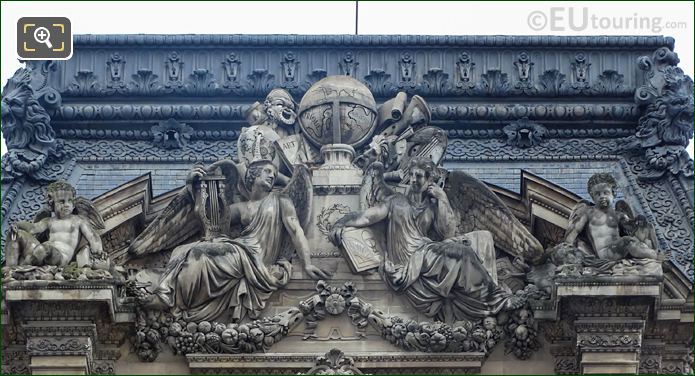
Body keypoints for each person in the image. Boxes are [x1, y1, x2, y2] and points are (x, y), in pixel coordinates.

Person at [331, 157, 518, 322]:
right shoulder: (395, 201)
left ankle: (487, 300)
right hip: (409, 259)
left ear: (429, 180)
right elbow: (367, 217)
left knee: (474, 244)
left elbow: (448, 233)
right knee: (463, 253)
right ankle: (494, 299)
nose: (413, 180)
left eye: (419, 176)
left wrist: (442, 198)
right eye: (411, 175)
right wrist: (341, 223)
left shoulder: (432, 207)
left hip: (425, 253)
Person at [141, 160, 330, 322]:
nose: (272, 176)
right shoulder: (240, 208)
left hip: (256, 258)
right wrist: (197, 187)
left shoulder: (281, 200)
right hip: (240, 249)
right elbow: (209, 221)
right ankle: (167, 294)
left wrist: (307, 264)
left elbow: (296, 230)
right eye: (267, 171)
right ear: (253, 176)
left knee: (199, 253)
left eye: (274, 174)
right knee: (182, 250)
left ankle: (170, 296)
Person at [5, 181, 104, 267]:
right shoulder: (48, 221)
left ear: (73, 203)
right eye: (62, 201)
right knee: (15, 234)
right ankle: (10, 269)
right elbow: (33, 229)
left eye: (70, 201)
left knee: (44, 248)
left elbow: (92, 237)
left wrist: (98, 251)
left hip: (60, 257)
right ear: (51, 203)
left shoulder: (78, 220)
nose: (66, 205)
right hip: (42, 252)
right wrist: (17, 225)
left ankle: (23, 268)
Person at [564, 173, 661, 261]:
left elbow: (631, 227)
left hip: (618, 248)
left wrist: (639, 220)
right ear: (592, 196)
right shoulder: (588, 212)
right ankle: (655, 256)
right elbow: (575, 229)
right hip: (605, 253)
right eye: (598, 194)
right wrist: (566, 248)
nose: (602, 196)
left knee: (640, 233)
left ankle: (651, 254)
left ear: (613, 194)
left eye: (606, 193)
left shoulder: (618, 215)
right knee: (627, 241)